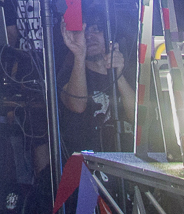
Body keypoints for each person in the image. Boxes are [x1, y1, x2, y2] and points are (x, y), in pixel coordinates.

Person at [56, 15, 134, 155]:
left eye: (97, 30)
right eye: (84, 32)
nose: (90, 36)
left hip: (125, 165)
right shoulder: (69, 73)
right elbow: (77, 106)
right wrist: (79, 55)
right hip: (85, 166)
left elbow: (140, 119)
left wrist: (119, 77)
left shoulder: (129, 70)